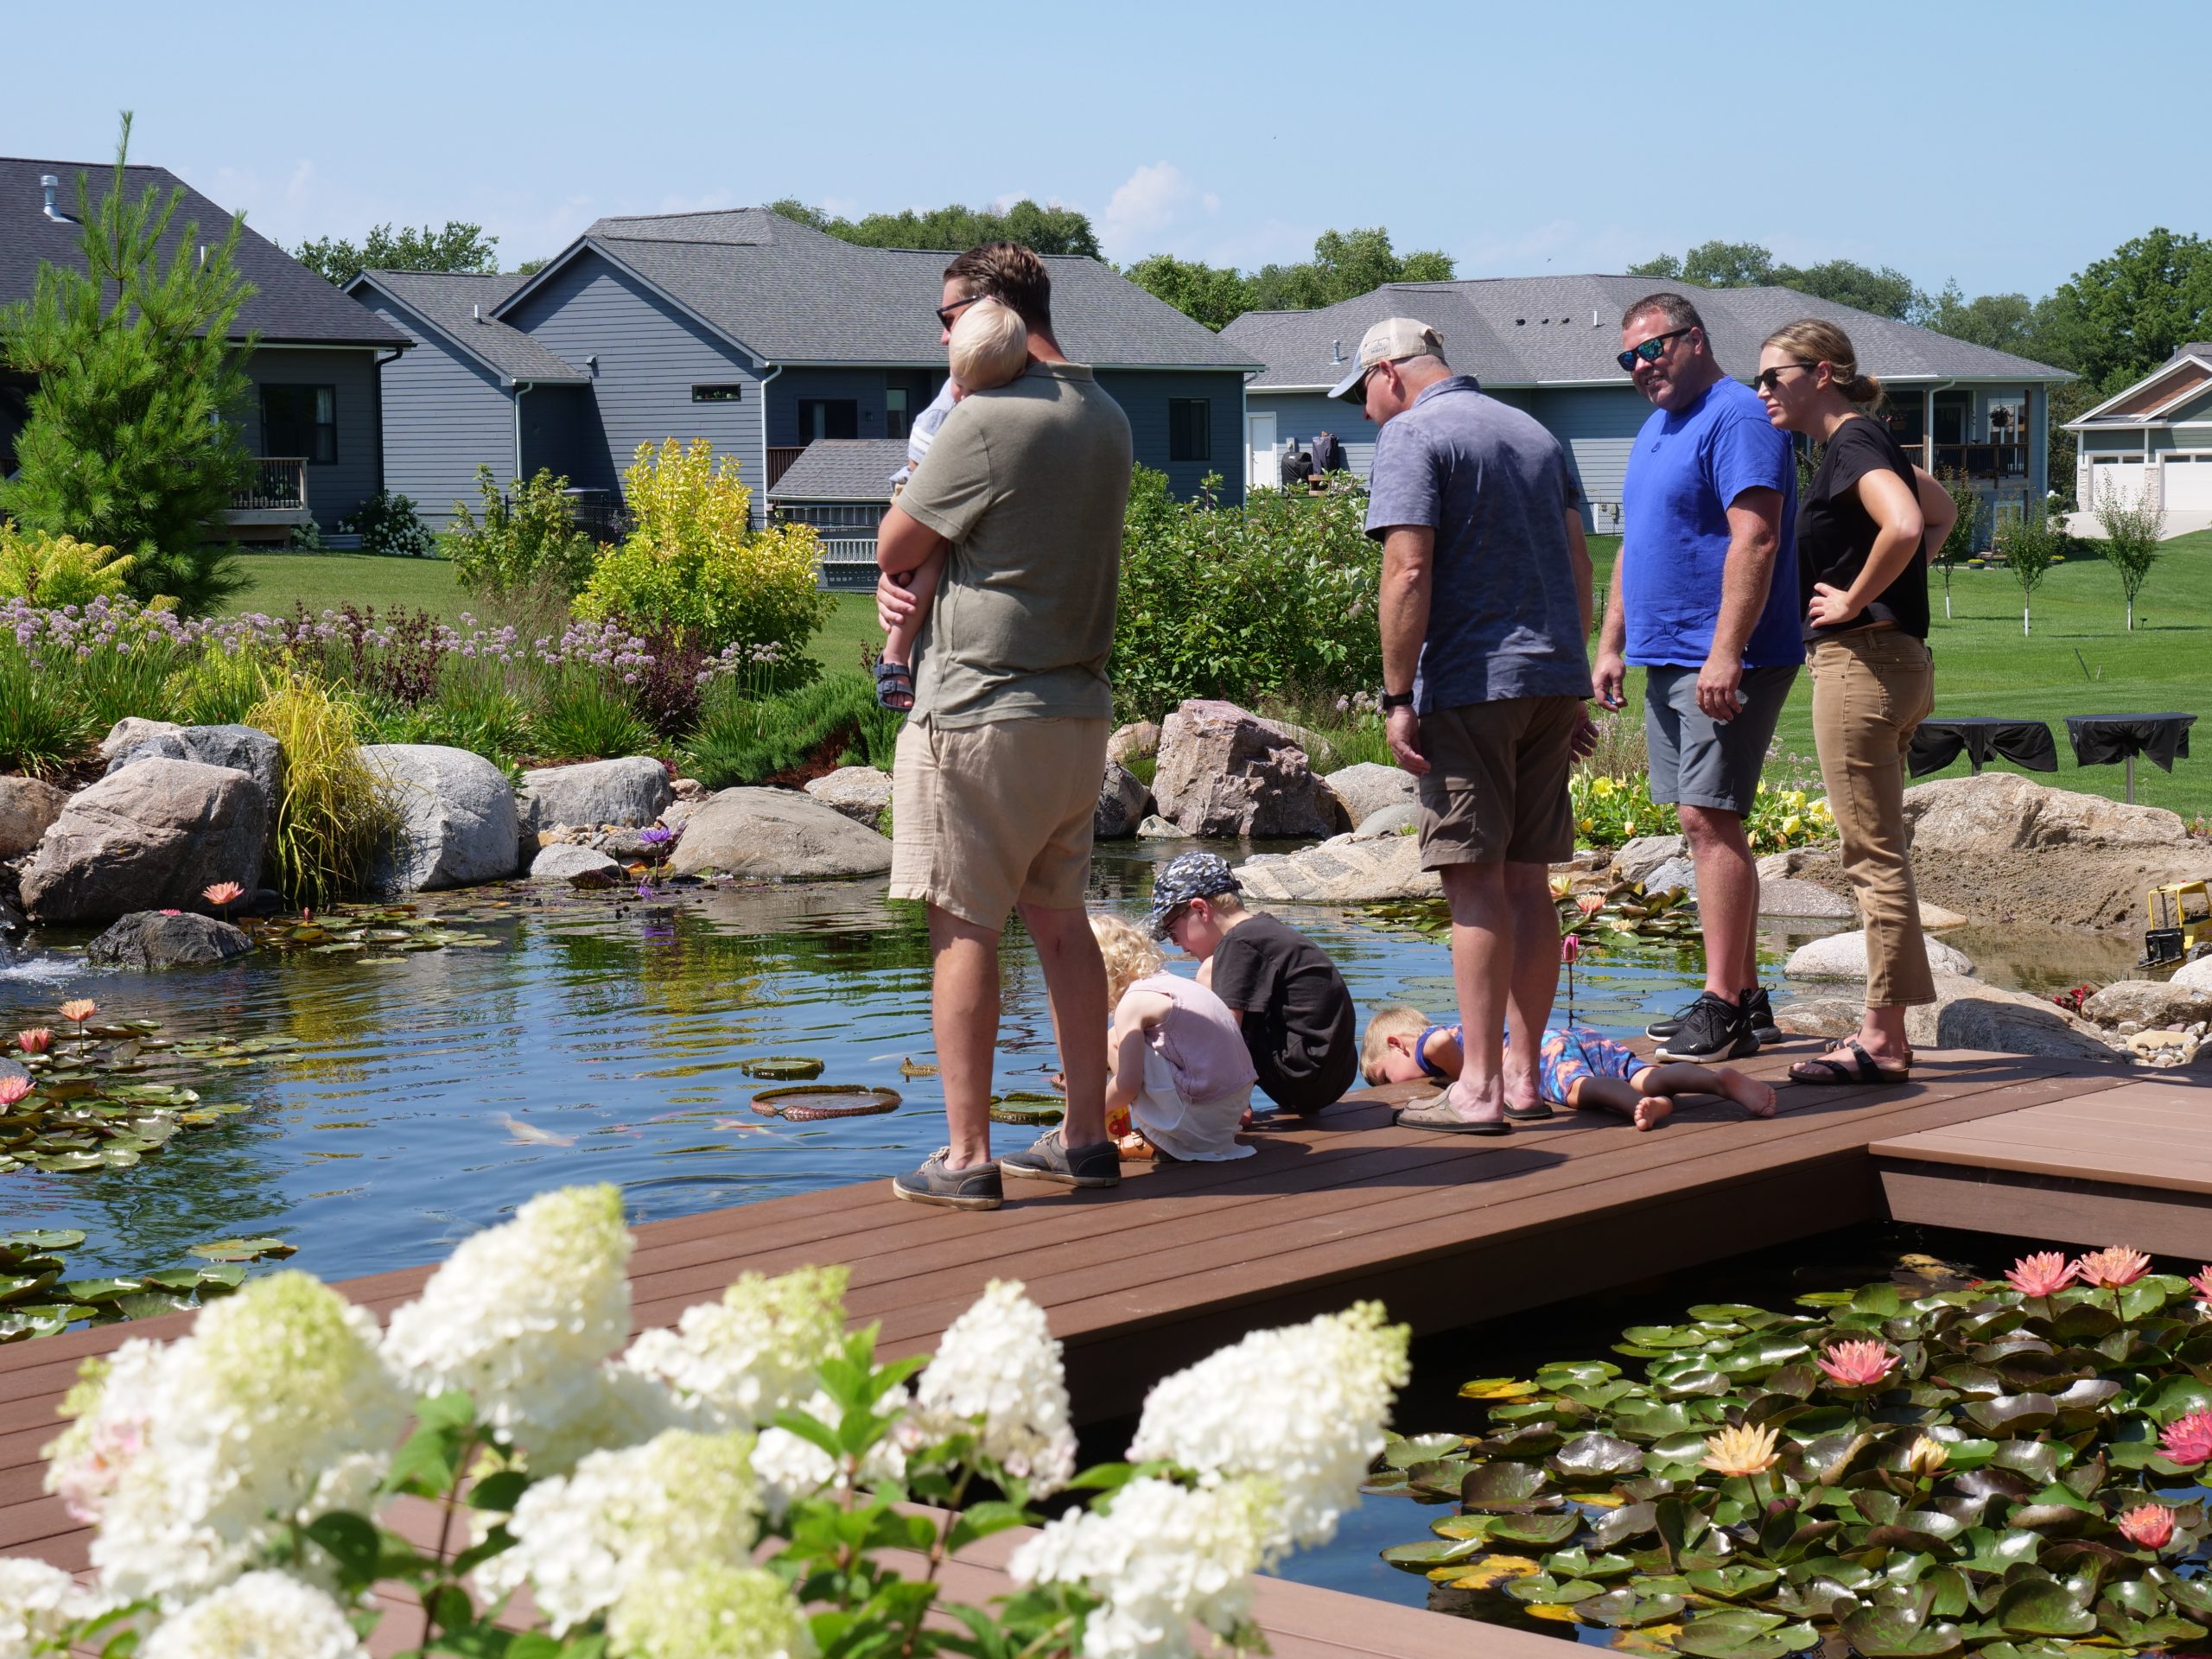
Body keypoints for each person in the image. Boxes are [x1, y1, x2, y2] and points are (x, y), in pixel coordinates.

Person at [875, 243, 1135, 1209]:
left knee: (963, 927)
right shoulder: (1107, 415)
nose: (942, 337)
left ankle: (966, 1156)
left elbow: (901, 543)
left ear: (991, 313)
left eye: (949, 318)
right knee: (1061, 929)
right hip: (1076, 714)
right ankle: (1082, 1140)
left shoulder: (984, 418)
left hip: (979, 713)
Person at [1347, 316, 1596, 1134]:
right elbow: (1578, 563)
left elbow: (1408, 566)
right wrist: (1570, 676)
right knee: (1529, 882)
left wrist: (1396, 694)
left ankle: (1478, 1089)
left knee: (1474, 884)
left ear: (1389, 372)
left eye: (1366, 396)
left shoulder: (1416, 435)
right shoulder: (1534, 433)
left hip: (1469, 683)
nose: (1368, 414)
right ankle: (1523, 1078)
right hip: (1549, 680)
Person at [1595, 294, 1803, 1064]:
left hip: (1724, 655)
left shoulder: (1736, 416)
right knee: (1701, 819)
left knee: (1706, 819)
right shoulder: (1656, 427)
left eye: (1654, 349)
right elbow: (1634, 545)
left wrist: (1727, 652)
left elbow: (1756, 536)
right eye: (1629, 358)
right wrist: (1611, 641)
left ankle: (1721, 1005)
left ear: (1696, 339)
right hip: (1667, 651)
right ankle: (1745, 1000)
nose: (1642, 367)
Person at [1754, 317, 1957, 1086]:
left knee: (1871, 856)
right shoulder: (1866, 446)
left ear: (1824, 373)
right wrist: (1889, 595)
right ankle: (1887, 1031)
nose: (1764, 390)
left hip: (1862, 663)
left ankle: (1881, 1039)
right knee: (1880, 851)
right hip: (1897, 662)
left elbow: (1906, 524)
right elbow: (1939, 515)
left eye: (1775, 376)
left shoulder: (1852, 444)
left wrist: (1855, 602)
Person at [874, 299, 1031, 713]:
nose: (959, 392)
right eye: (957, 383)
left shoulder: (986, 395)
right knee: (926, 561)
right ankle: (895, 653)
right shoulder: (950, 410)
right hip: (918, 487)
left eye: (970, 389)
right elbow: (921, 477)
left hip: (938, 489)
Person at [1144, 851, 1357, 1115]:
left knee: (1204, 981)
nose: (1176, 944)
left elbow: (1223, 1035)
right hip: (1329, 1076)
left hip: (1302, 1075)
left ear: (1201, 909)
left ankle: (1225, 1108)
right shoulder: (1263, 933)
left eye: (1171, 931)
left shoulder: (1238, 943)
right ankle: (1234, 1102)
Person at [1358, 1004, 1776, 1132]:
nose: (1385, 1086)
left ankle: (1645, 1105)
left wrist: (1465, 1076)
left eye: (1382, 1076)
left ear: (1396, 1044)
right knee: (1644, 1070)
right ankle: (1719, 1082)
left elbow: (1441, 1043)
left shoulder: (1428, 1048)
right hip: (1576, 1034)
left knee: (1579, 1089)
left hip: (1543, 1051)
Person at [1091, 912, 1257, 1161]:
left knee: (1113, 1041)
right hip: (1232, 1109)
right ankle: (1164, 1129)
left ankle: (1162, 1136)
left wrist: (1089, 1112)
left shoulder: (1132, 1003)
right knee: (1122, 1037)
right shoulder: (1172, 984)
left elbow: (1127, 1086)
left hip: (1201, 1120)